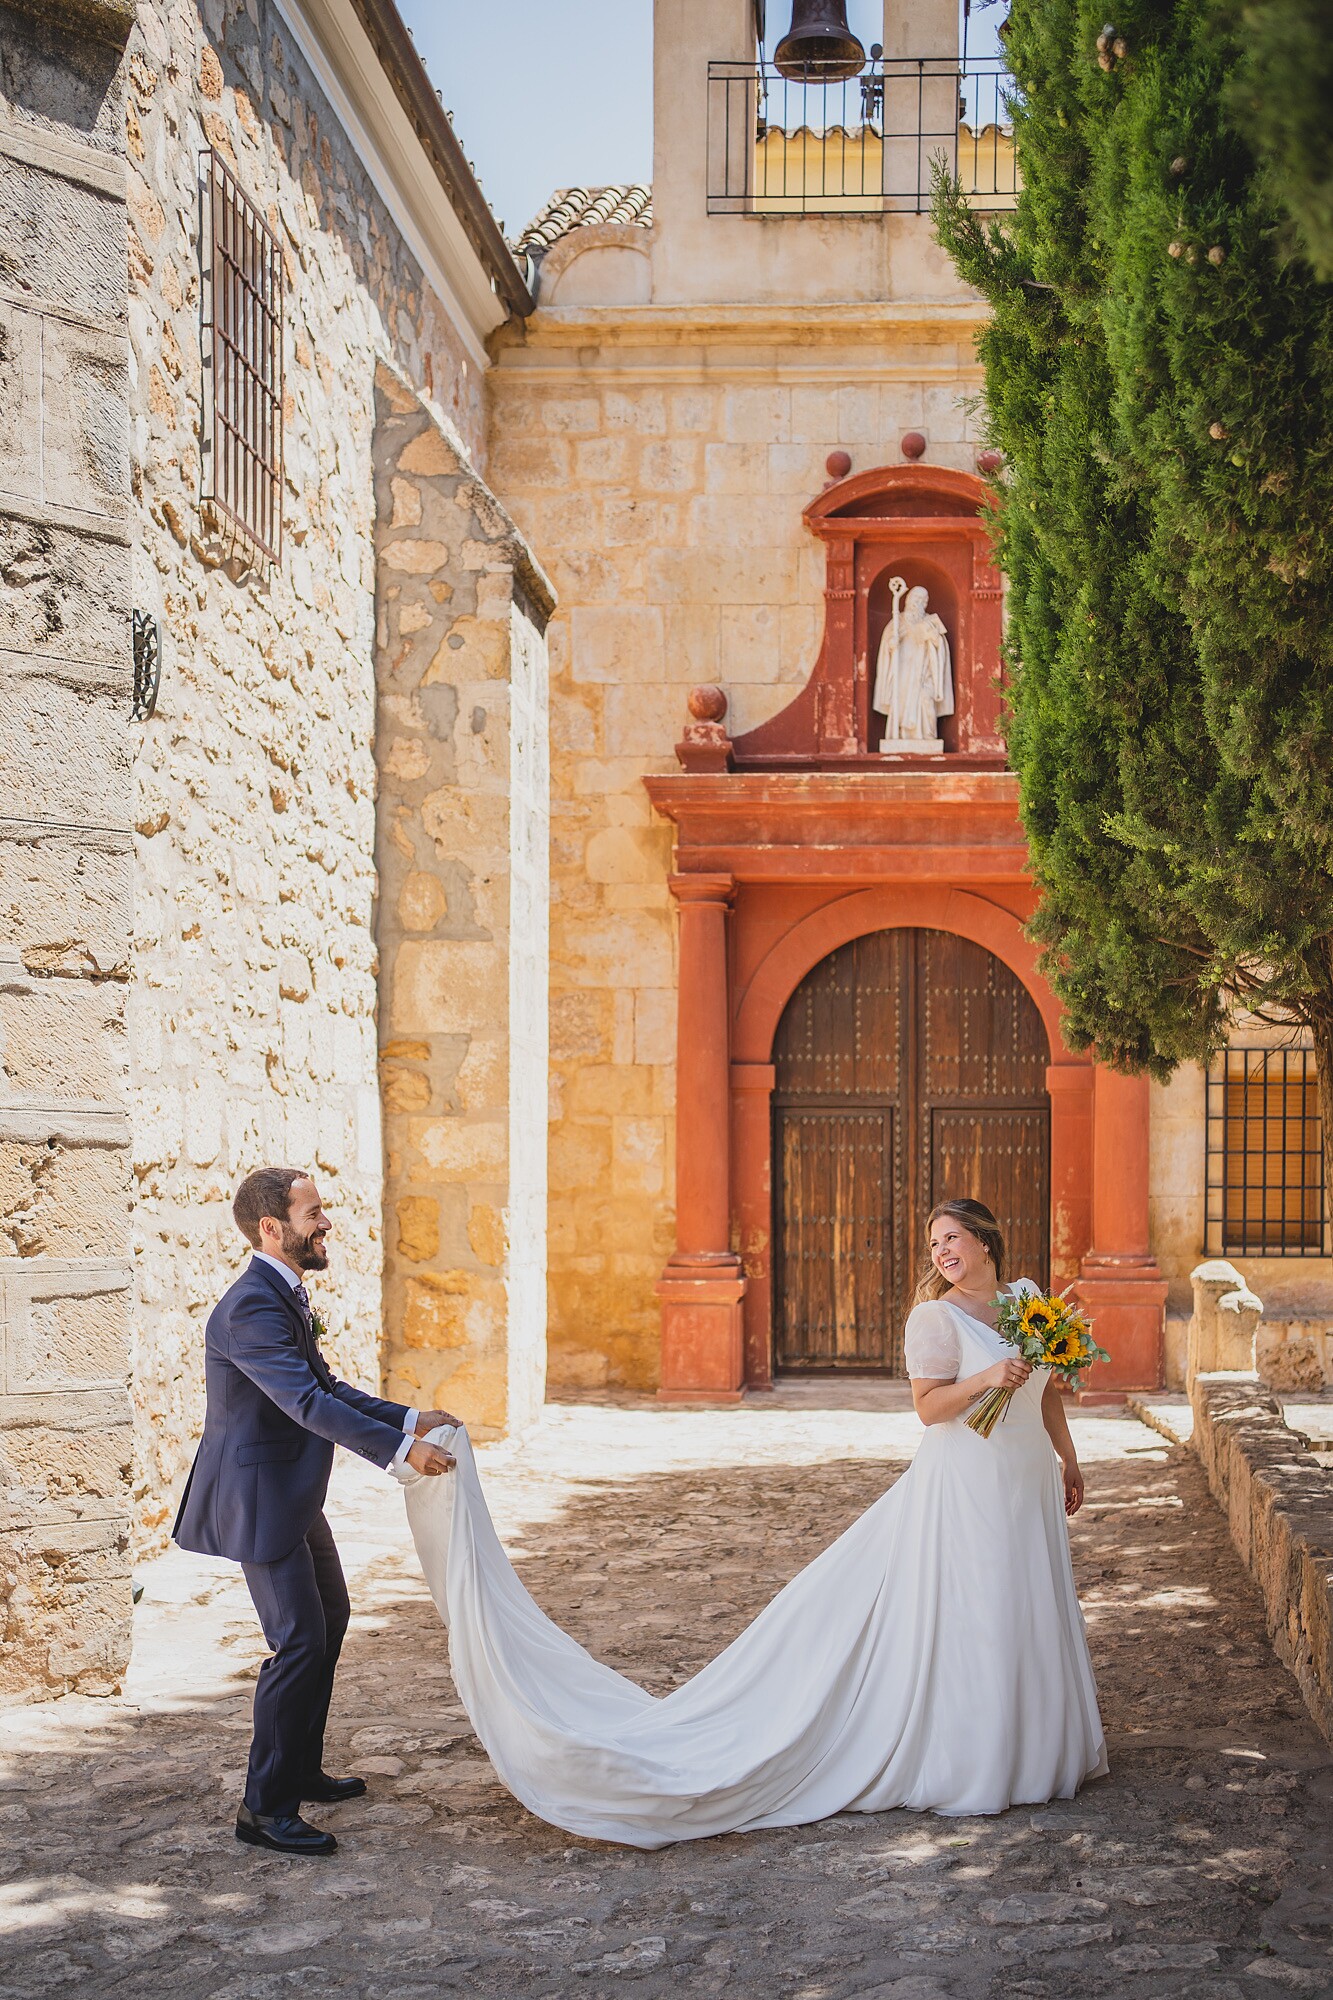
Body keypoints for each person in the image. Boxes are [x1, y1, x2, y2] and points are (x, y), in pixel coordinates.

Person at [398, 1195, 1108, 1847]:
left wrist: (1066, 1460)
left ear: (984, 1240)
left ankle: (1035, 1751)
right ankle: (977, 1761)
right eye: (932, 1244)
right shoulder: (934, 1318)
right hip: (965, 1486)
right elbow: (927, 1409)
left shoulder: (1025, 1300)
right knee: (976, 1612)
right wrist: (986, 1378)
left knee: (1024, 1604)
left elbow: (1047, 1392)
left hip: (1024, 1480)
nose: (941, 1252)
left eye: (951, 1238)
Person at [173, 1167, 458, 1857]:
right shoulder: (251, 1307)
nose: (325, 1222)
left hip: (291, 1494)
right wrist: (398, 1452)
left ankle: (298, 1768)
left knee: (329, 1620)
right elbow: (307, 1405)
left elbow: (325, 1385)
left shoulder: (281, 1294)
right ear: (272, 1229)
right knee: (297, 1640)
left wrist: (412, 1418)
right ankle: (264, 1809)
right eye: (312, 1213)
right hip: (260, 1500)